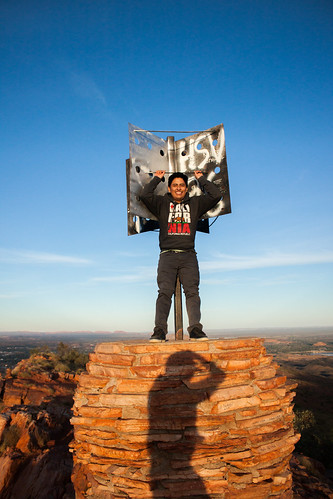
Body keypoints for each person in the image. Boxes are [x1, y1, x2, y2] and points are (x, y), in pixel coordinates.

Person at [140, 169, 221, 342]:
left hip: (189, 256)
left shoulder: (195, 204)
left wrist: (201, 178)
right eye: (175, 185)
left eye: (182, 185)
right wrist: (157, 179)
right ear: (169, 188)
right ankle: (159, 331)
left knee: (192, 293)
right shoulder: (161, 203)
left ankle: (195, 330)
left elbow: (216, 195)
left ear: (186, 188)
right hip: (167, 255)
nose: (178, 188)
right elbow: (145, 195)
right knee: (164, 293)